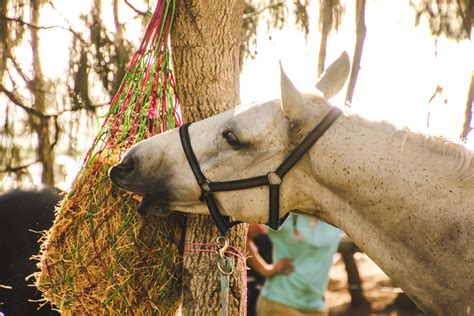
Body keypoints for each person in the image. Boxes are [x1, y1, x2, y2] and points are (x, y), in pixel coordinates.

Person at [247, 213, 340, 316]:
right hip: (279, 304)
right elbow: (246, 234)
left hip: (317, 308)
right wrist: (265, 269)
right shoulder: (283, 215)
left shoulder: (336, 217)